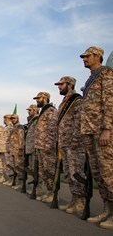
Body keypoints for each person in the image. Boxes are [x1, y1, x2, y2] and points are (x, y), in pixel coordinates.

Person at [79, 46, 113, 229]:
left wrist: (107, 129)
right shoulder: (91, 78)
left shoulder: (106, 74)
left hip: (102, 132)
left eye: (87, 56)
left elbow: (109, 102)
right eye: (83, 57)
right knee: (99, 174)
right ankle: (108, 209)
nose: (84, 59)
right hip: (90, 132)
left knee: (109, 172)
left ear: (98, 56)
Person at [54, 76, 86, 215]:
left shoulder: (76, 100)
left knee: (76, 172)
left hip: (74, 144)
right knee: (68, 173)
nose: (59, 87)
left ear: (70, 84)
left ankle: (80, 202)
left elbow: (79, 120)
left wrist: (75, 140)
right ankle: (74, 199)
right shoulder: (63, 102)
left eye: (62, 84)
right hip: (64, 143)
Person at [33, 92, 57, 203]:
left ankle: (52, 193)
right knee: (43, 171)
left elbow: (52, 129)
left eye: (39, 98)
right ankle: (47, 191)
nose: (37, 100)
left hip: (47, 146)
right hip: (40, 146)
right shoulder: (43, 112)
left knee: (49, 170)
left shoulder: (50, 110)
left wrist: (48, 145)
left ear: (45, 98)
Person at [24, 104, 39, 194]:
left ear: (35, 110)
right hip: (30, 148)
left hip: (35, 148)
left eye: (30, 110)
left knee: (37, 170)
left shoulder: (37, 119)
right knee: (32, 169)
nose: (28, 112)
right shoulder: (31, 121)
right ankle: (36, 188)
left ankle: (39, 189)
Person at [8, 114, 25, 190]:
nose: (13, 120)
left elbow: (21, 139)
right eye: (11, 119)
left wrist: (21, 149)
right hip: (13, 150)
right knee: (14, 166)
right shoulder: (13, 128)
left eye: (14, 118)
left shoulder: (20, 127)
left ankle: (21, 183)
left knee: (19, 167)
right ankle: (18, 182)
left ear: (17, 119)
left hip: (18, 150)